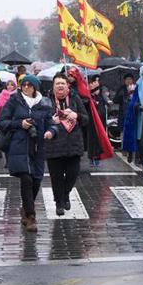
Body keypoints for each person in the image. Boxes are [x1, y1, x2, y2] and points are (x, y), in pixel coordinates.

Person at [0, 75, 54, 231]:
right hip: (19, 146)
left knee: (36, 180)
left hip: (38, 147)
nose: (26, 87)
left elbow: (50, 123)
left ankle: (25, 208)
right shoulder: (14, 101)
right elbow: (1, 122)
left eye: (30, 85)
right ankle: (31, 216)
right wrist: (19, 124)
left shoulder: (44, 103)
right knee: (26, 179)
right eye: (24, 85)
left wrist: (51, 131)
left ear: (35, 87)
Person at [46, 73, 89, 216]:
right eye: (57, 83)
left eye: (62, 83)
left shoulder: (75, 99)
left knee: (73, 174)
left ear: (67, 86)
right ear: (53, 87)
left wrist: (76, 116)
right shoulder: (47, 101)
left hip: (73, 145)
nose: (60, 86)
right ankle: (59, 203)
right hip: (54, 145)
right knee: (56, 177)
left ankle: (65, 194)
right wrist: (51, 121)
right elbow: (41, 121)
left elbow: (86, 119)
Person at [68, 70, 113, 166]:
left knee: (93, 136)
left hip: (87, 115)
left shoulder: (83, 87)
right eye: (69, 75)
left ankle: (94, 157)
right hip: (75, 115)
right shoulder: (68, 87)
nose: (70, 77)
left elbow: (87, 98)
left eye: (72, 75)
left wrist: (89, 99)